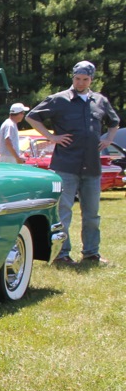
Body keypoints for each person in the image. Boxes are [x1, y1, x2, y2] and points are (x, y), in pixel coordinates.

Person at [25, 60, 120, 266]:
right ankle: (61, 254)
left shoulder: (100, 101)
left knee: (92, 213)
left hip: (92, 166)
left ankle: (91, 253)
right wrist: (51, 137)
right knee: (63, 211)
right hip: (66, 165)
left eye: (85, 79)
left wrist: (109, 139)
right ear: (73, 77)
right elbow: (32, 116)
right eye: (77, 79)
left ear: (91, 80)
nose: (80, 83)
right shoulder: (59, 100)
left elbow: (114, 122)